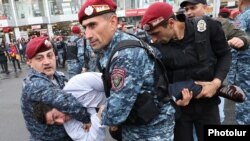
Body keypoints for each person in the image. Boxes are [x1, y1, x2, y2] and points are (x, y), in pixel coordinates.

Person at [78, 0, 192, 140]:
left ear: (113, 22)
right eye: (85, 28)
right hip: (137, 126)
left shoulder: (126, 54)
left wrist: (99, 114)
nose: (88, 34)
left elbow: (116, 113)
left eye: (93, 25)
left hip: (151, 132)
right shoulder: (114, 47)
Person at [141, 2, 231, 141]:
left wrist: (216, 83)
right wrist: (173, 99)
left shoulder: (206, 28)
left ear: (171, 23)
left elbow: (225, 54)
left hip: (208, 102)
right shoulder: (153, 45)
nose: (153, 39)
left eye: (156, 33)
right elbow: (154, 81)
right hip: (179, 109)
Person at [180, 0, 250, 124]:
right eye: (186, 10)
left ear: (205, 8)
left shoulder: (220, 24)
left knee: (216, 119)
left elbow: (241, 35)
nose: (189, 12)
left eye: (193, 8)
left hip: (213, 85)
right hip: (187, 90)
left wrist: (241, 40)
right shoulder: (180, 27)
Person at [21, 36, 90, 141]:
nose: (47, 62)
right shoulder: (34, 84)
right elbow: (68, 102)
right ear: (29, 62)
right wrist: (88, 118)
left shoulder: (58, 76)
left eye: (50, 55)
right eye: (39, 58)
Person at [32, 72, 107, 141]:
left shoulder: (77, 84)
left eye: (55, 116)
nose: (61, 121)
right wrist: (97, 120)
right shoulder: (70, 128)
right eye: (55, 123)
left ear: (56, 103)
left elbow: (112, 82)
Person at [228, 0, 250, 125]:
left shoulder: (245, 15)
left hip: (245, 69)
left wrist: (231, 76)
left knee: (244, 107)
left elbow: (235, 40)